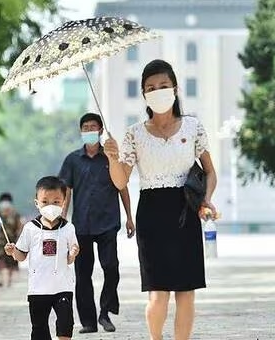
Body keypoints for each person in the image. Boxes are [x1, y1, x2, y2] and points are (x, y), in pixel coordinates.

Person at [103, 59, 218, 340]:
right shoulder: (134, 134)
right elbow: (120, 181)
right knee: (158, 293)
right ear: (143, 95)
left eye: (163, 86)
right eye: (150, 88)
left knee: (186, 291)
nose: (158, 91)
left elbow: (210, 172)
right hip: (151, 212)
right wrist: (112, 157)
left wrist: (206, 200)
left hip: (186, 210)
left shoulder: (193, 127)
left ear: (175, 89)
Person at [58, 113, 135, 333]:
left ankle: (105, 312)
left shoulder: (110, 158)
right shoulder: (72, 160)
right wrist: (62, 218)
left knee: (111, 267)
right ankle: (89, 322)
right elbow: (66, 191)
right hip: (81, 225)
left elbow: (123, 186)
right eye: (85, 127)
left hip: (108, 223)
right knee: (83, 275)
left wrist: (129, 217)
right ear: (81, 131)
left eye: (93, 126)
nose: (89, 130)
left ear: (101, 131)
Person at [4, 176, 80, 340]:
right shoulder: (31, 228)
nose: (50, 206)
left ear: (64, 202)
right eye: (45, 201)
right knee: (39, 328)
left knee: (65, 326)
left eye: (56, 201)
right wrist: (12, 252)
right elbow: (21, 255)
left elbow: (69, 258)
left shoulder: (68, 229)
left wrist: (73, 254)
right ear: (37, 203)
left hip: (62, 287)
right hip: (38, 289)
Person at [0, 192, 20, 287]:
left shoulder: (15, 215)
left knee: (11, 262)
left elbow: (18, 228)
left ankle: (9, 279)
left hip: (11, 241)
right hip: (0, 242)